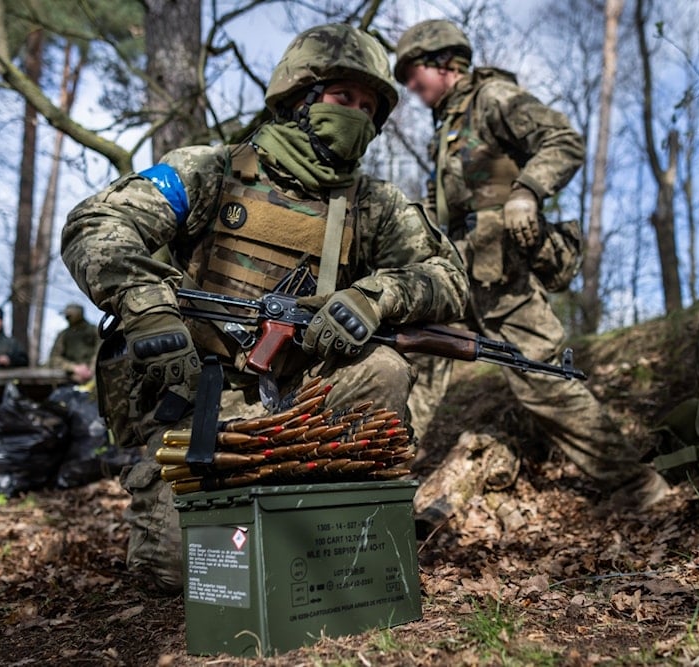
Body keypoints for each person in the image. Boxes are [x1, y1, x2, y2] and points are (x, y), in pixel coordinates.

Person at [62, 23, 468, 593]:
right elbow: (97, 223)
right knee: (185, 576)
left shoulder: (373, 205)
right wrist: (146, 306)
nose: (355, 113)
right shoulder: (212, 170)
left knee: (384, 367)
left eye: (368, 105)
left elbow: (448, 277)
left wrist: (374, 297)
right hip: (203, 402)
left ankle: (343, 524)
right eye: (341, 97)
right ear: (300, 96)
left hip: (303, 404)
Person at [395, 19, 669, 509]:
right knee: (411, 361)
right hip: (457, 271)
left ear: (444, 63)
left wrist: (527, 192)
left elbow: (563, 140)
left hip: (503, 274)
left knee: (543, 382)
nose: (412, 88)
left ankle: (636, 483)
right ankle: (381, 478)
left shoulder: (493, 98)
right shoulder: (449, 124)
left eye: (415, 75)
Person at [48, 303, 99, 384]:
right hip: (70, 378)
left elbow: (100, 351)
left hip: (95, 376)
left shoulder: (94, 330)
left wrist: (91, 370)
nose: (67, 318)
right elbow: (54, 358)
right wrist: (74, 368)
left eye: (69, 315)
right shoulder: (63, 335)